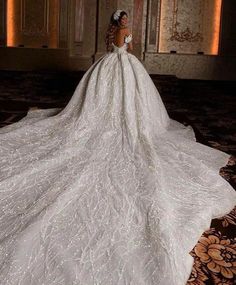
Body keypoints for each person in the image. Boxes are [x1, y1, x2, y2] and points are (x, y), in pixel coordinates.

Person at [0, 9, 235, 285]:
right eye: (122, 20)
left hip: (114, 65)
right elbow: (126, 47)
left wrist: (124, 44)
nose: (125, 23)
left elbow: (118, 47)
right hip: (122, 65)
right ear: (118, 22)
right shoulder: (122, 35)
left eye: (125, 21)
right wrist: (128, 42)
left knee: (121, 103)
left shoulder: (112, 35)